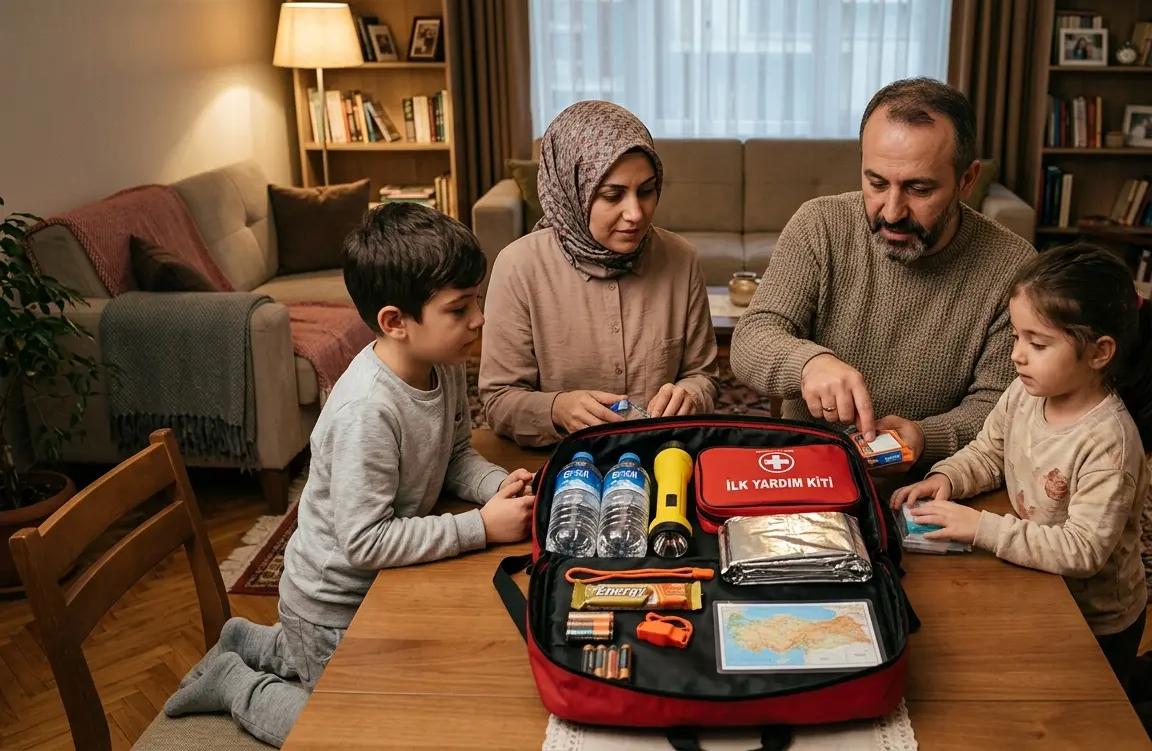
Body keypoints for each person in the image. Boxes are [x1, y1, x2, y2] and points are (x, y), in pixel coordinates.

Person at [162, 203, 538, 747]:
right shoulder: (368, 409)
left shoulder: (445, 366)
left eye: (475, 301)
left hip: (376, 589)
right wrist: (481, 526)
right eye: (459, 308)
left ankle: (264, 643)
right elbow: (365, 542)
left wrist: (494, 488)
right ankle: (235, 683)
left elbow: (455, 454)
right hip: (335, 606)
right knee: (354, 735)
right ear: (394, 323)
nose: (478, 319)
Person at [892, 243, 1152, 751]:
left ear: (1099, 352)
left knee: (1089, 729)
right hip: (1050, 589)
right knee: (1101, 691)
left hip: (1099, 614)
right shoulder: (1023, 392)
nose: (1016, 354)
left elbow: (1083, 551)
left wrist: (982, 528)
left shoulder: (1110, 440)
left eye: (1037, 342)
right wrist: (948, 477)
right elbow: (989, 452)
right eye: (1017, 336)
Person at [729, 77, 1034, 472]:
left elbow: (1001, 405)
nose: (891, 211)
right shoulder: (819, 224)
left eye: (919, 189)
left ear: (967, 180)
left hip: (934, 481)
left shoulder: (1014, 267)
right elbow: (752, 338)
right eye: (876, 183)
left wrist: (926, 437)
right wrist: (807, 363)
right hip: (805, 467)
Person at [479, 100, 720, 447]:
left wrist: (690, 395)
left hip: (664, 459)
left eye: (647, 191)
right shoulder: (519, 267)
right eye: (613, 195)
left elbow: (703, 376)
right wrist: (556, 409)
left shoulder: (681, 259)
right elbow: (499, 400)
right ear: (572, 191)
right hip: (563, 468)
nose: (635, 213)